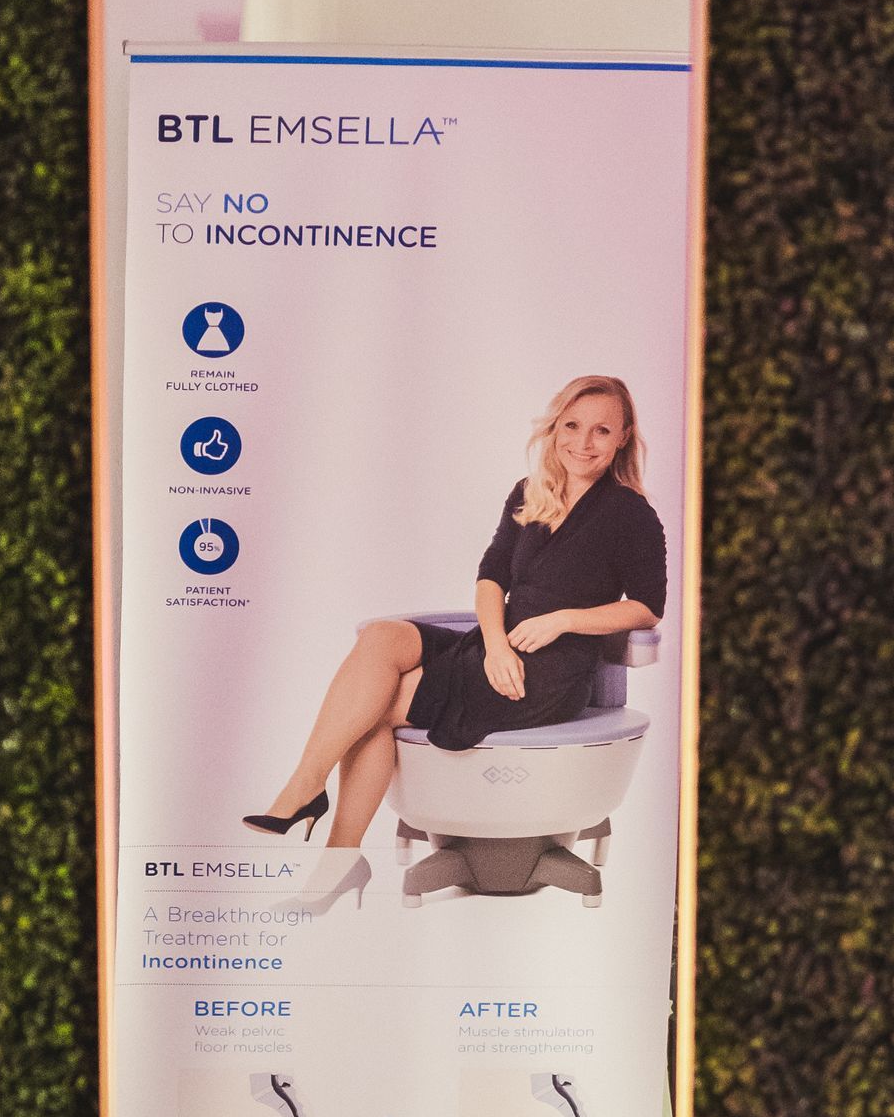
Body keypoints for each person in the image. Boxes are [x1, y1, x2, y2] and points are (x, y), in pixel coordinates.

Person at [245, 375, 667, 911]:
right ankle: (309, 793)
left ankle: (330, 848)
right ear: (554, 427)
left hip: (547, 674)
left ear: (624, 437)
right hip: (496, 650)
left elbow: (647, 606)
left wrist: (563, 620)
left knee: (374, 709)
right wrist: (492, 642)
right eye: (572, 426)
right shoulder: (531, 491)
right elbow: (492, 574)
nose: (583, 443)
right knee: (381, 638)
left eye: (601, 430)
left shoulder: (632, 515)